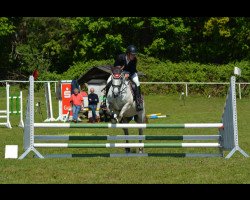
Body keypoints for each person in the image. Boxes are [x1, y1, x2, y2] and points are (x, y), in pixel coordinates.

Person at [105, 45, 143, 111]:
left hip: (131, 73)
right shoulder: (120, 57)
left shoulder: (135, 60)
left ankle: (138, 101)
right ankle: (104, 101)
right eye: (132, 55)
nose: (134, 56)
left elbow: (133, 69)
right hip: (119, 72)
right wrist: (121, 72)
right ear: (128, 54)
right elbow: (115, 66)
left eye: (134, 55)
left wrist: (128, 74)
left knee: (137, 83)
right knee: (108, 81)